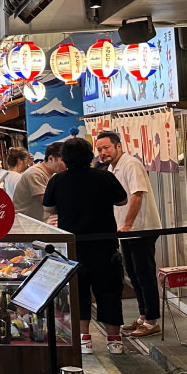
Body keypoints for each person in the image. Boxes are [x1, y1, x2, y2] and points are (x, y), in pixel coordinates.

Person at [43, 137, 129, 355]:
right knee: (109, 292)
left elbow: (50, 208)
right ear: (90, 155)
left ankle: (85, 340)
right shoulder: (104, 176)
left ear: (66, 158)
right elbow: (122, 201)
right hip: (105, 246)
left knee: (78, 293)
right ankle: (114, 340)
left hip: (73, 247)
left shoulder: (57, 180)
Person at [96, 132, 163, 338]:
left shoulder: (131, 164)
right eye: (99, 149)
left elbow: (137, 194)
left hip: (141, 229)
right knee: (133, 275)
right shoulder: (111, 169)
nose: (103, 153)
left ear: (118, 146)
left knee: (145, 274)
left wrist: (128, 223)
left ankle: (152, 320)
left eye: (106, 148)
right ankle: (143, 316)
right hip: (124, 231)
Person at [14, 142, 63, 222]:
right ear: (50, 159)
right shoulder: (35, 174)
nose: (67, 164)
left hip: (35, 224)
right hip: (26, 227)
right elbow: (46, 204)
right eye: (63, 160)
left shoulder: (48, 174)